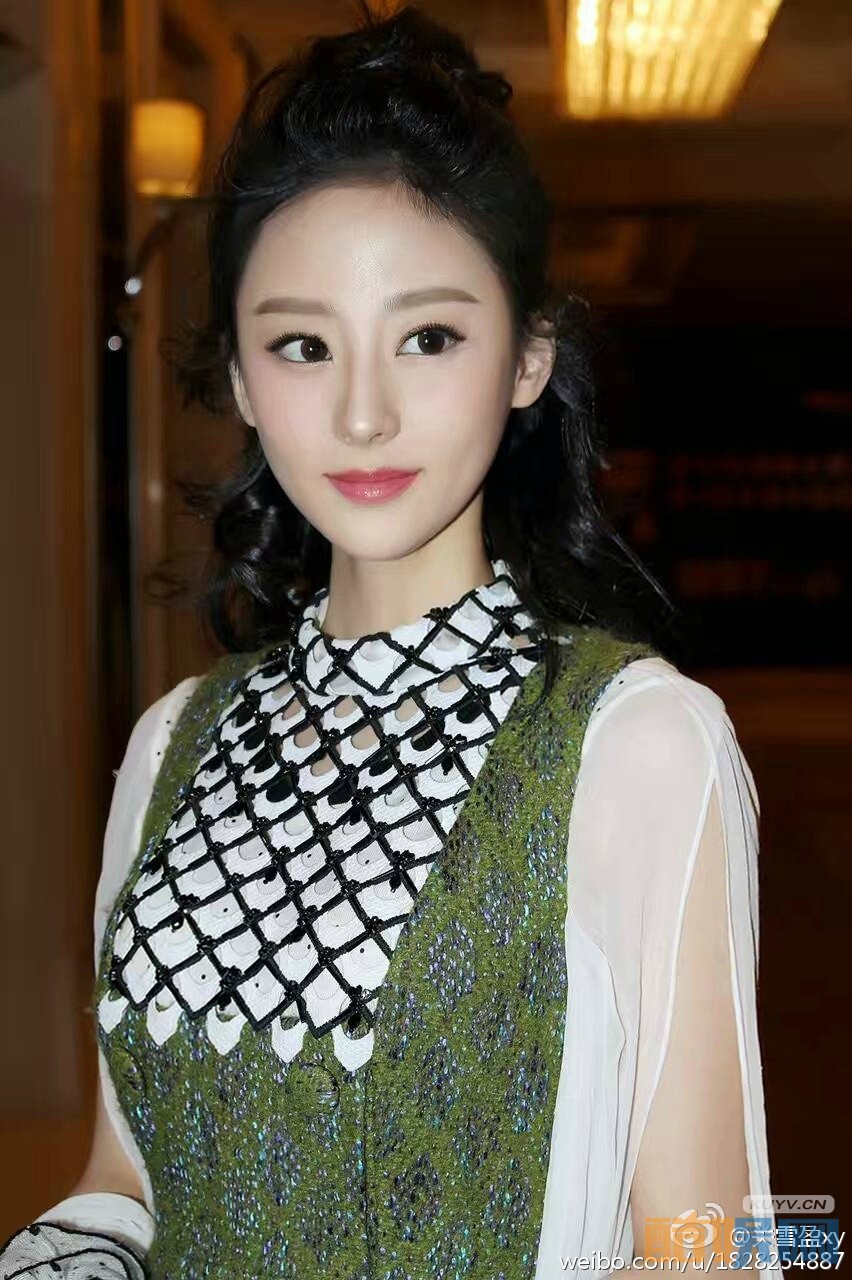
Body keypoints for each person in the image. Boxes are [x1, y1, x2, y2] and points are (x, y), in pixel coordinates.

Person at [0, 4, 774, 1277]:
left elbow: (727, 1240)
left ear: (527, 357)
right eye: (303, 345)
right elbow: (124, 1174)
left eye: (428, 336)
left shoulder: (639, 741)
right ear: (242, 380)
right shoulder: (172, 743)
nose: (362, 413)